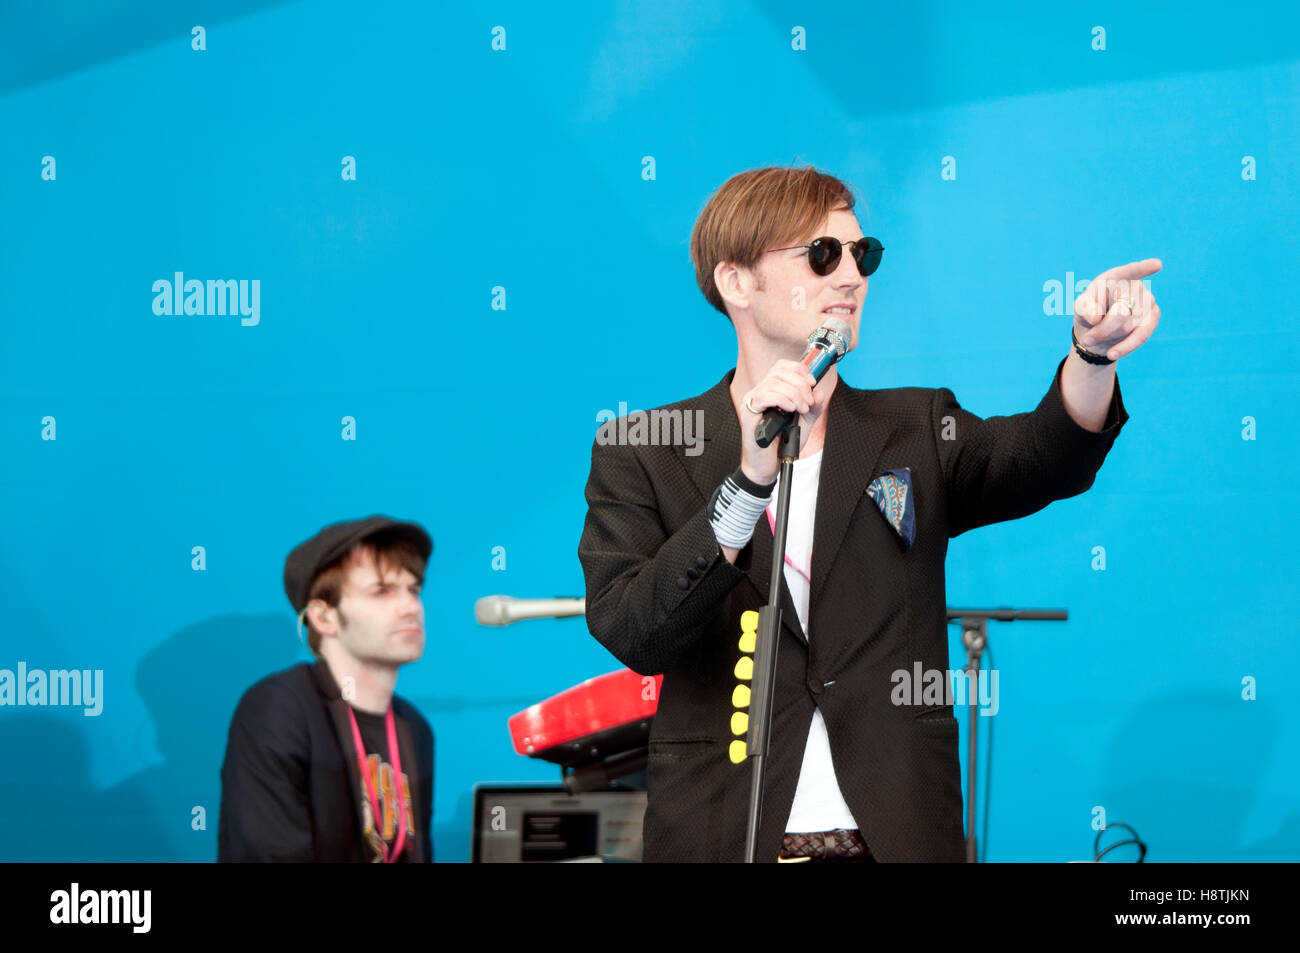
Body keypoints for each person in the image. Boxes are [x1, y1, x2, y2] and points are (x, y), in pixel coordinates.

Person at [578, 165, 1159, 862]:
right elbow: (633, 629)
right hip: (723, 834)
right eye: (822, 255)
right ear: (737, 283)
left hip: (895, 836)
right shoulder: (645, 449)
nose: (852, 276)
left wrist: (1090, 354)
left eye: (864, 254)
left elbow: (1045, 457)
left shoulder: (914, 427)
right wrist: (748, 482)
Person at [218, 516, 436, 862]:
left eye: (414, 590)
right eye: (382, 591)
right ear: (323, 617)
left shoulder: (415, 727)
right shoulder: (278, 709)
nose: (411, 607)